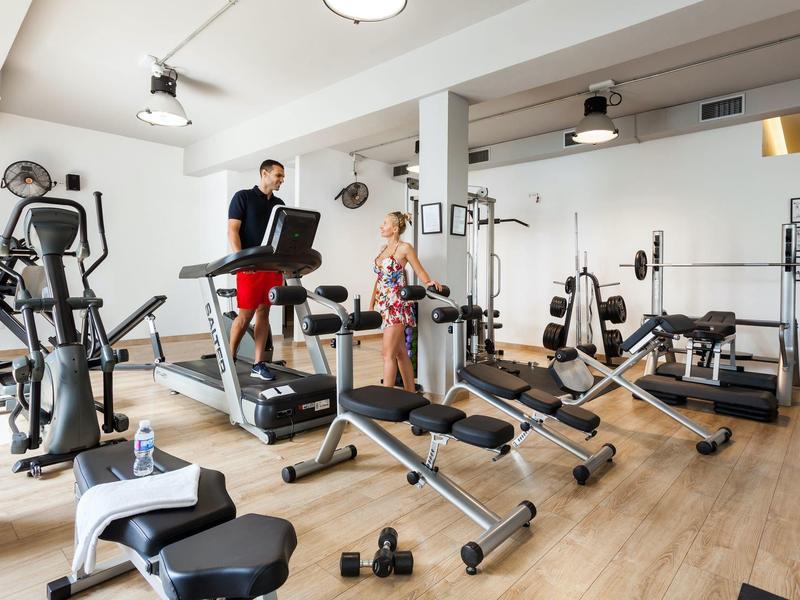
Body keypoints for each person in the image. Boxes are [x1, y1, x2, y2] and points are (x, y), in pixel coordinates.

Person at [369, 211, 441, 392]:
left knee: (387, 354)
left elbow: (419, 270)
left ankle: (387, 399)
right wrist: (372, 304)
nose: (381, 226)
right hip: (383, 306)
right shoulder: (382, 250)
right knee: (400, 353)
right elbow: (379, 280)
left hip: (397, 306)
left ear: (394, 229)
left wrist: (429, 282)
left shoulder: (405, 248)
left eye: (384, 223)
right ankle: (411, 393)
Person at [227, 159, 286, 380]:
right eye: (278, 175)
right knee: (245, 315)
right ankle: (229, 357)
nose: (281, 180)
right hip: (249, 266)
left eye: (282, 177)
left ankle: (258, 363)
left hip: (270, 266)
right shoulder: (243, 197)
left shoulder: (279, 203)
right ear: (264, 173)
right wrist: (241, 260)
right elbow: (233, 230)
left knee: (264, 312)